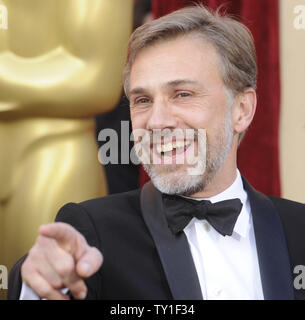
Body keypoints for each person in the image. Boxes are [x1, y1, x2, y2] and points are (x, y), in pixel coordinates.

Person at [8, 5, 305, 300]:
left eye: (183, 94)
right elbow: (56, 278)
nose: (157, 121)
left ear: (242, 110)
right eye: (143, 100)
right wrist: (40, 287)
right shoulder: (91, 233)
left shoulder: (298, 231)